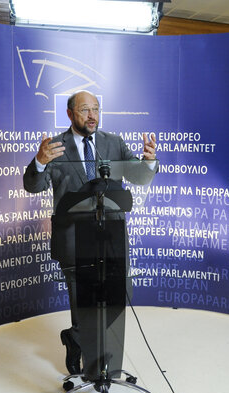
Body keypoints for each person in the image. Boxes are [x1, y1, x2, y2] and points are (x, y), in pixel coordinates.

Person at [23, 90, 157, 374]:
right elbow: (33, 186)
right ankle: (83, 345)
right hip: (73, 238)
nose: (92, 115)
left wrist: (148, 162)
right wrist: (39, 162)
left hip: (111, 237)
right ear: (70, 113)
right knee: (81, 301)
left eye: (96, 109)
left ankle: (86, 342)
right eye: (85, 110)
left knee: (119, 293)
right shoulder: (55, 147)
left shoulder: (113, 142)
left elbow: (139, 177)